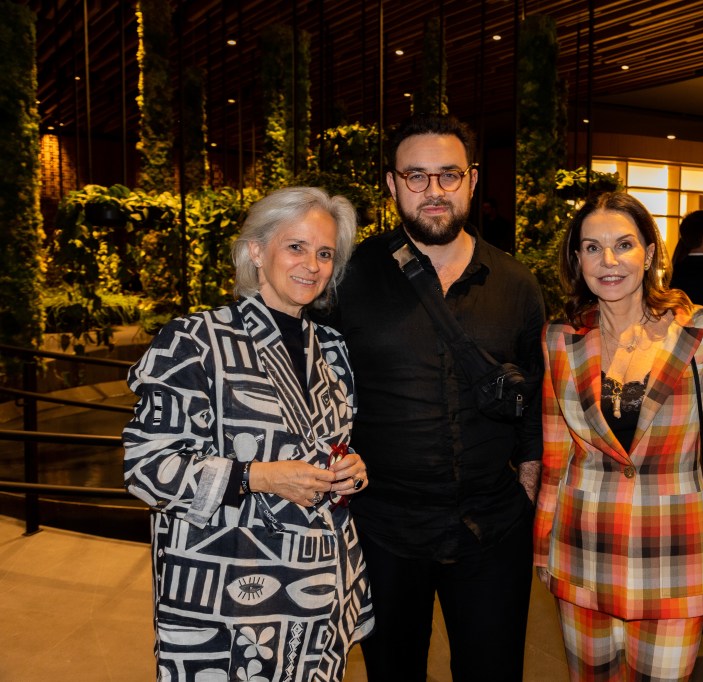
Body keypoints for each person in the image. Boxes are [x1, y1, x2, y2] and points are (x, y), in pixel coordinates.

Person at [325, 113, 545, 681]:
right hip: (384, 529)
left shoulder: (517, 283)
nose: (433, 192)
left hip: (492, 528)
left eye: (448, 175)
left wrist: (526, 486)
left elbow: (534, 394)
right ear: (393, 184)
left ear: (472, 180)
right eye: (416, 177)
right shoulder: (351, 278)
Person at [123, 187, 373, 681]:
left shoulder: (332, 347)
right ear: (256, 250)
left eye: (325, 253)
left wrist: (351, 469)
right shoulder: (195, 341)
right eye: (296, 246)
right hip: (228, 597)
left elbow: (327, 442)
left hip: (320, 591)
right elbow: (146, 468)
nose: (312, 265)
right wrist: (258, 477)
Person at [534, 192, 703, 681]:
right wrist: (543, 548)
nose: (609, 261)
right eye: (592, 247)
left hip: (675, 556)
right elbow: (555, 456)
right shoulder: (559, 339)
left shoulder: (700, 333)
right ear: (576, 259)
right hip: (582, 551)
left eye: (624, 245)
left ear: (649, 253)